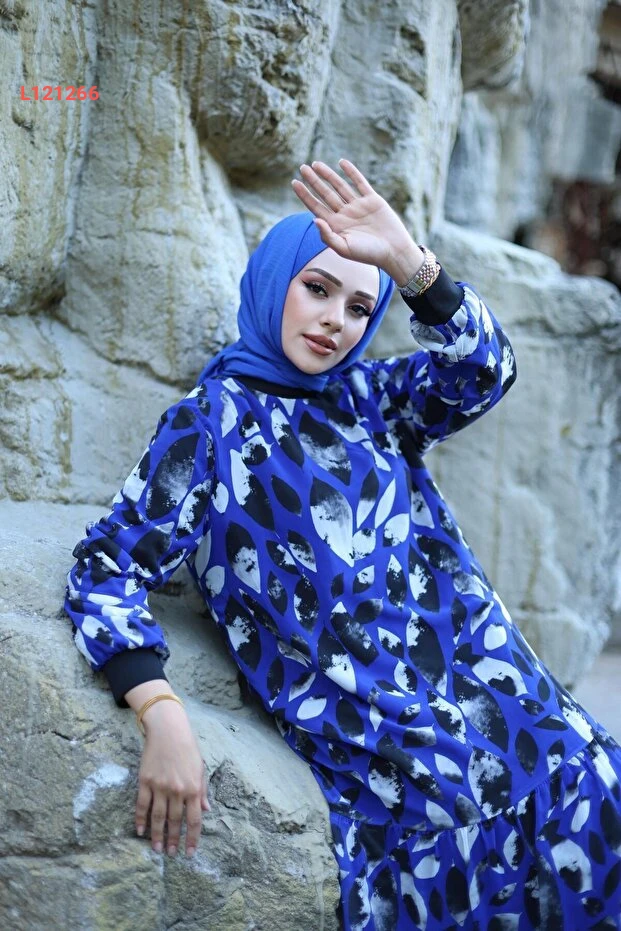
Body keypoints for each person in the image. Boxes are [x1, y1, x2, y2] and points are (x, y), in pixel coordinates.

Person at [64, 159, 621, 930]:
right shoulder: (212, 422)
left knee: (594, 783)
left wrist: (410, 264)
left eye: (360, 306)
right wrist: (159, 709)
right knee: (464, 849)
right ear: (275, 283)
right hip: (382, 742)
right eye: (317, 288)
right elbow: (106, 568)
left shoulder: (371, 398)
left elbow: (485, 370)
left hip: (499, 698)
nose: (335, 320)